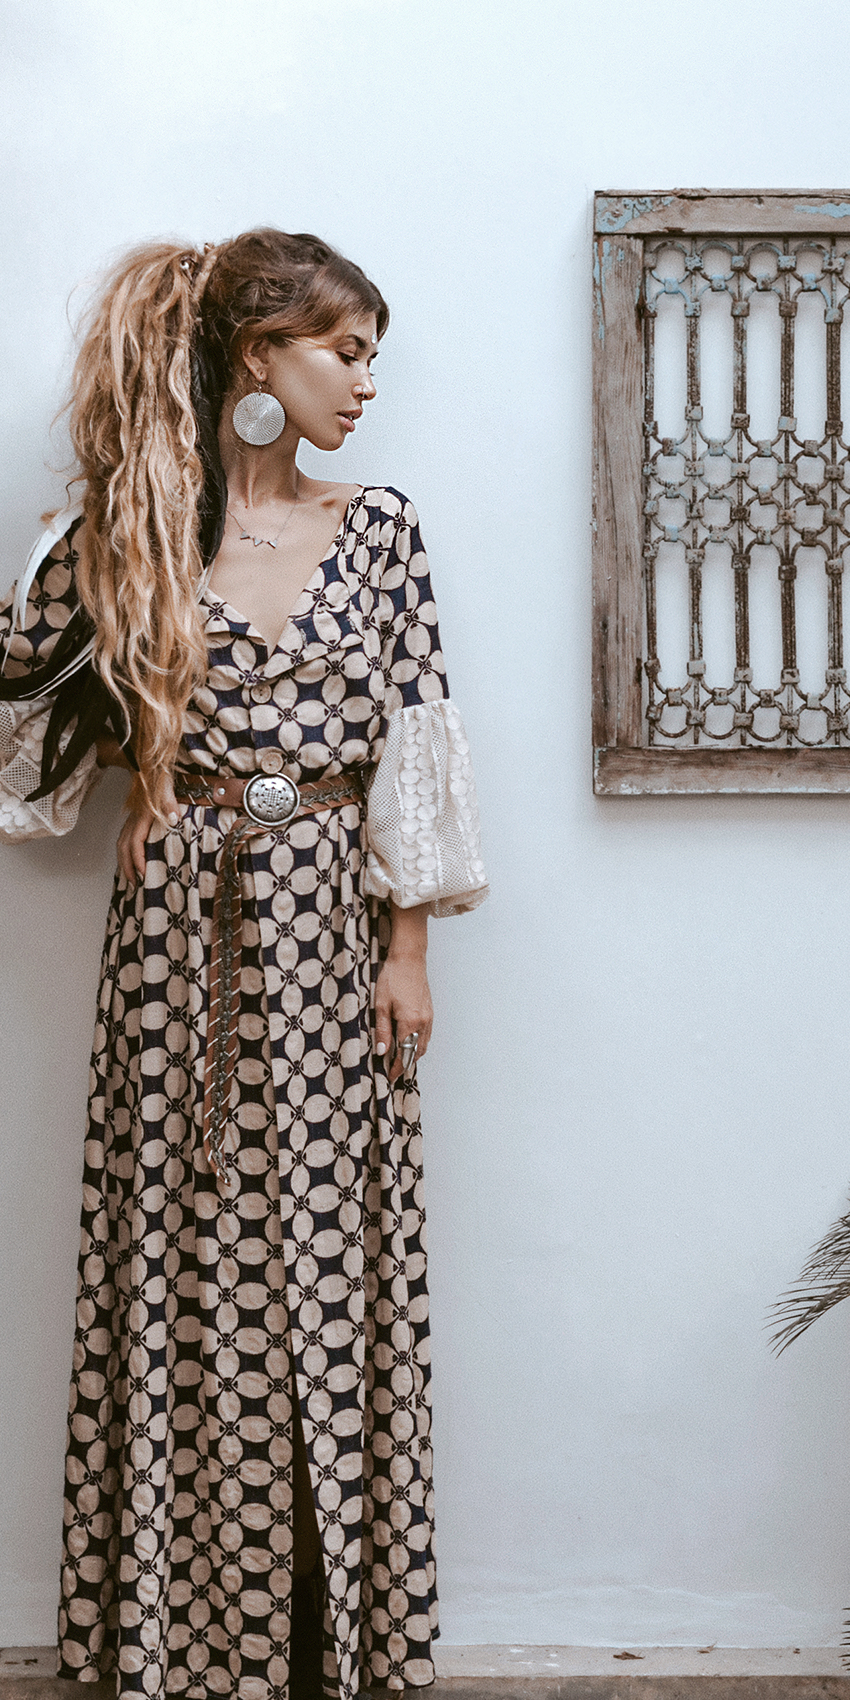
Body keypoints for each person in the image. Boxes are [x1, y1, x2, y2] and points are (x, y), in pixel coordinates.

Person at [0, 229, 488, 1700]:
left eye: (371, 355)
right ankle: (173, 1630)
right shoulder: (129, 534)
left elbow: (415, 736)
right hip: (173, 937)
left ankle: (330, 1633)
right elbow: (27, 739)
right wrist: (104, 667)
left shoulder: (381, 529)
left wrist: (410, 946)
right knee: (180, 1251)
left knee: (325, 1258)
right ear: (256, 357)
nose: (366, 382)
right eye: (345, 351)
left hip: (333, 932)